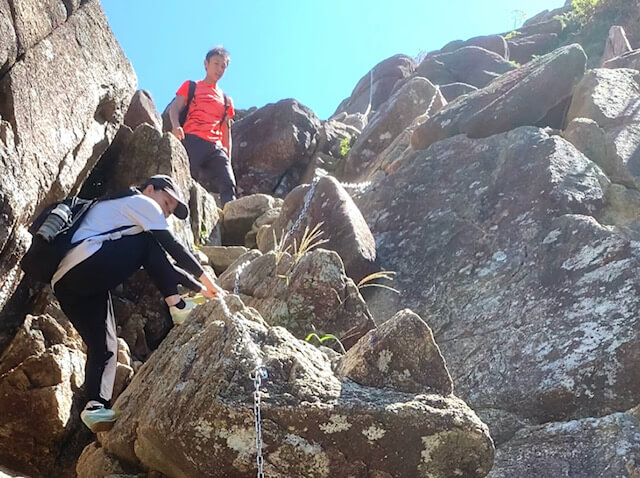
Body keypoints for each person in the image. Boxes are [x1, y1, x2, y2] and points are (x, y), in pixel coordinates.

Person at [52, 174, 222, 433]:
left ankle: (95, 407)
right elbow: (170, 247)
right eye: (166, 204)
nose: (165, 214)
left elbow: (162, 265)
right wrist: (208, 281)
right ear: (150, 189)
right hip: (85, 261)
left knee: (105, 345)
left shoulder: (124, 215)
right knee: (149, 241)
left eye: (170, 211)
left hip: (68, 282)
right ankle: (177, 307)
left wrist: (201, 288)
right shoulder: (140, 201)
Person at [169, 46, 237, 205]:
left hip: (216, 145)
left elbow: (226, 130)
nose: (220, 69)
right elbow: (175, 107)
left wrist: (228, 155)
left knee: (228, 181)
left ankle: (230, 213)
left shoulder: (227, 100)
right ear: (206, 64)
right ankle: (180, 210)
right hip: (192, 138)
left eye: (224, 66)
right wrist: (176, 125)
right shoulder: (191, 86)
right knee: (186, 177)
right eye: (216, 63)